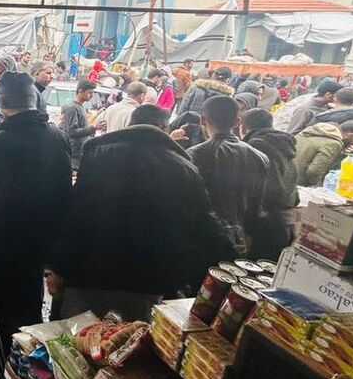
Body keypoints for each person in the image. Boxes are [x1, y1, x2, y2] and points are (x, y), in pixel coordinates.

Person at [57, 103, 233, 316]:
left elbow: (76, 214)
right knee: (129, 342)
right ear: (163, 128)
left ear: (131, 124)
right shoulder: (184, 167)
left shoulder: (98, 153)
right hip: (145, 282)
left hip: (88, 274)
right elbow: (204, 225)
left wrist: (58, 269)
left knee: (73, 339)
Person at [0, 71, 73, 375]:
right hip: (36, 246)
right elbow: (65, 195)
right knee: (30, 311)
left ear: (2, 103)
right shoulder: (57, 136)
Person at [188, 95, 269, 257]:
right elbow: (257, 206)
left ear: (203, 120)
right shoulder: (260, 157)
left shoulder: (195, 155)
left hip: (199, 239)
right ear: (237, 122)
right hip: (239, 242)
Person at [241, 108, 298, 261]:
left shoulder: (258, 145)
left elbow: (271, 186)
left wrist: (260, 212)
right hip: (286, 219)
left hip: (268, 221)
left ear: (243, 127)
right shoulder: (282, 143)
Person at [294, 120, 347, 186]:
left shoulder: (303, 135)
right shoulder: (333, 144)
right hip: (300, 184)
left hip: (285, 177)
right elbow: (315, 170)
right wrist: (312, 185)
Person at [58, 79, 97, 169]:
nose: (92, 96)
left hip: (80, 152)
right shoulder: (72, 108)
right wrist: (92, 128)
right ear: (80, 91)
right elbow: (71, 132)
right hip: (74, 154)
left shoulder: (81, 107)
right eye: (89, 92)